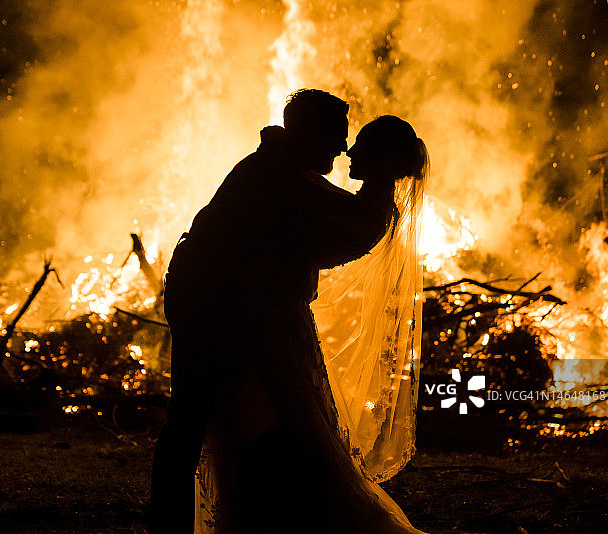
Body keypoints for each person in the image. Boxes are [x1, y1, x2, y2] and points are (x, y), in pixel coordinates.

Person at [149, 89, 428, 533]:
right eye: (336, 136)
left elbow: (332, 223)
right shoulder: (278, 174)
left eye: (349, 141)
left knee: (242, 421)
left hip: (243, 311)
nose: (343, 148)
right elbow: (335, 222)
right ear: (308, 131)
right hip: (212, 306)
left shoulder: (287, 173)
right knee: (198, 418)